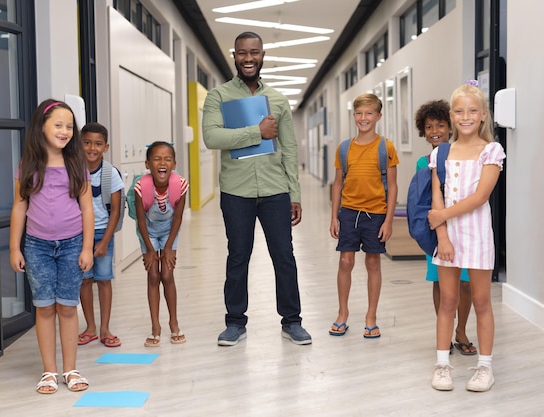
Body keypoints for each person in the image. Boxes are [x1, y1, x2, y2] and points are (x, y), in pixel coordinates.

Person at [201, 31, 311, 346]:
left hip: (276, 190)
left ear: (262, 55)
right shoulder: (218, 96)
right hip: (237, 192)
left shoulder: (277, 99)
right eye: (242, 53)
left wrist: (295, 193)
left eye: (254, 53)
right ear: (233, 55)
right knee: (238, 257)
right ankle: (235, 322)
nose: (248, 59)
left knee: (284, 256)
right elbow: (212, 138)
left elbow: (289, 148)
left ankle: (292, 321)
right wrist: (256, 132)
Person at [9, 99, 93, 394]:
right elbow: (20, 206)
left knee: (68, 308)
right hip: (37, 247)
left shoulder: (76, 163)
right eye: (58, 124)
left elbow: (87, 208)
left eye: (69, 126)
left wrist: (86, 248)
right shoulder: (28, 165)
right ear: (41, 127)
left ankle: (70, 369)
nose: (65, 131)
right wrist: (14, 248)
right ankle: (49, 371)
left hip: (71, 245)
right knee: (44, 308)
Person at [428, 81, 505, 392]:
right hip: (447, 238)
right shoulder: (441, 153)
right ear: (451, 115)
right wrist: (442, 237)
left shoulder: (491, 151)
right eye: (459, 111)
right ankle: (442, 364)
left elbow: (480, 197)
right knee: (447, 300)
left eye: (473, 111)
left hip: (477, 237)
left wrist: (442, 217)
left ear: (483, 114)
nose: (466, 116)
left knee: (482, 300)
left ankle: (485, 368)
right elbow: (437, 196)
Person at [328, 93, 399, 339]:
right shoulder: (344, 148)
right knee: (345, 262)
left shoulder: (385, 148)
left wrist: (389, 220)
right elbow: (337, 184)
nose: (363, 118)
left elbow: (393, 186)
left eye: (369, 113)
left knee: (372, 263)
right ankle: (342, 313)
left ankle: (371, 316)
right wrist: (334, 216)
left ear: (378, 116)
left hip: (376, 214)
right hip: (348, 212)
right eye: (359, 113)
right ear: (354, 115)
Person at [414, 100, 476, 356]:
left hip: (465, 226)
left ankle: (461, 330)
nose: (435, 131)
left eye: (440, 125)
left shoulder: (463, 155)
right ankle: (446, 332)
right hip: (436, 229)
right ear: (423, 131)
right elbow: (422, 198)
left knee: (465, 283)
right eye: (429, 127)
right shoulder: (423, 162)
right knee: (440, 282)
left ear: (450, 127)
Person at [135, 141, 188, 347]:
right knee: (153, 275)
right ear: (148, 164)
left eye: (167, 159)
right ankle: (155, 326)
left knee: (167, 274)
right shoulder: (141, 187)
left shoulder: (180, 185)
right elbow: (140, 221)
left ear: (174, 164)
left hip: (169, 231)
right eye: (156, 158)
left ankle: (174, 323)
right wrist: (149, 250)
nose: (162, 162)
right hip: (147, 232)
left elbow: (177, 218)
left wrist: (167, 249)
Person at [78, 122, 124, 348]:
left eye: (97, 144)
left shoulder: (110, 173)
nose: (91, 148)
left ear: (105, 147)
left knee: (104, 279)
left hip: (103, 233)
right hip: (78, 234)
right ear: (79, 144)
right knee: (84, 281)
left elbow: (115, 210)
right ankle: (90, 327)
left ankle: (105, 328)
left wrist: (105, 240)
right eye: (86, 143)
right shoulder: (73, 171)